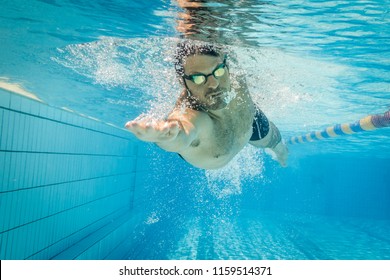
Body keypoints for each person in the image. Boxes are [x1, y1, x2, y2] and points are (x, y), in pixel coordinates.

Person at [125, 41, 288, 169]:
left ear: (227, 65)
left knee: (275, 144)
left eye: (218, 71)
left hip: (249, 120)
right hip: (217, 139)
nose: (213, 83)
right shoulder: (192, 115)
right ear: (183, 82)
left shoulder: (235, 74)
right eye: (198, 78)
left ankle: (281, 152)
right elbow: (183, 132)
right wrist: (165, 137)